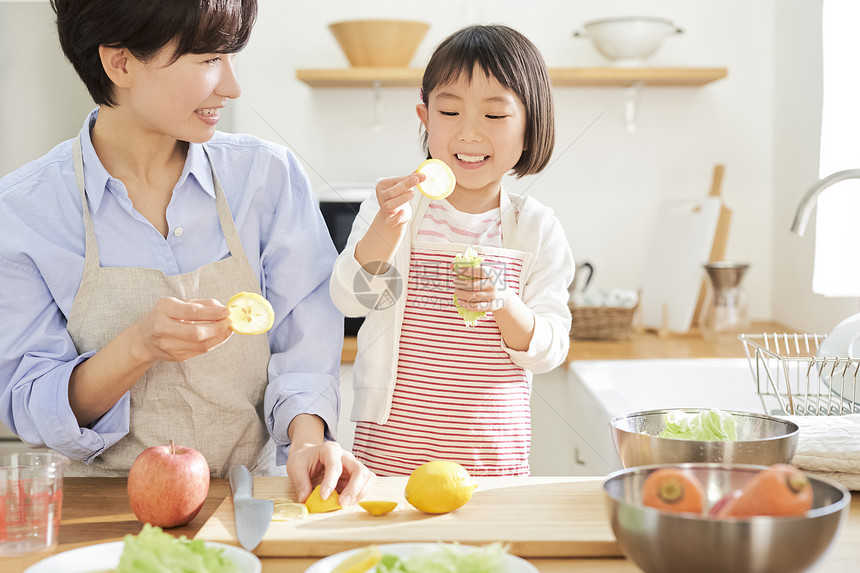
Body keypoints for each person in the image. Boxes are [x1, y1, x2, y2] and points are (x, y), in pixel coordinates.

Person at [0, 0, 371, 505]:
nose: (232, 86)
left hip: (250, 496)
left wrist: (308, 439)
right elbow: (29, 404)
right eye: (208, 59)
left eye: (231, 56)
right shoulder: (24, 211)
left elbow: (303, 350)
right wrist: (138, 347)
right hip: (102, 507)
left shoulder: (267, 178)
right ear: (120, 63)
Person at [330, 24, 575, 477]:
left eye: (494, 116)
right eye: (449, 111)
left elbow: (549, 350)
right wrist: (387, 229)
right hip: (391, 450)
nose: (468, 133)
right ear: (425, 118)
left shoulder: (535, 227)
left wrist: (503, 301)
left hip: (492, 454)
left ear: (530, 125)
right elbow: (350, 300)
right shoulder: (390, 207)